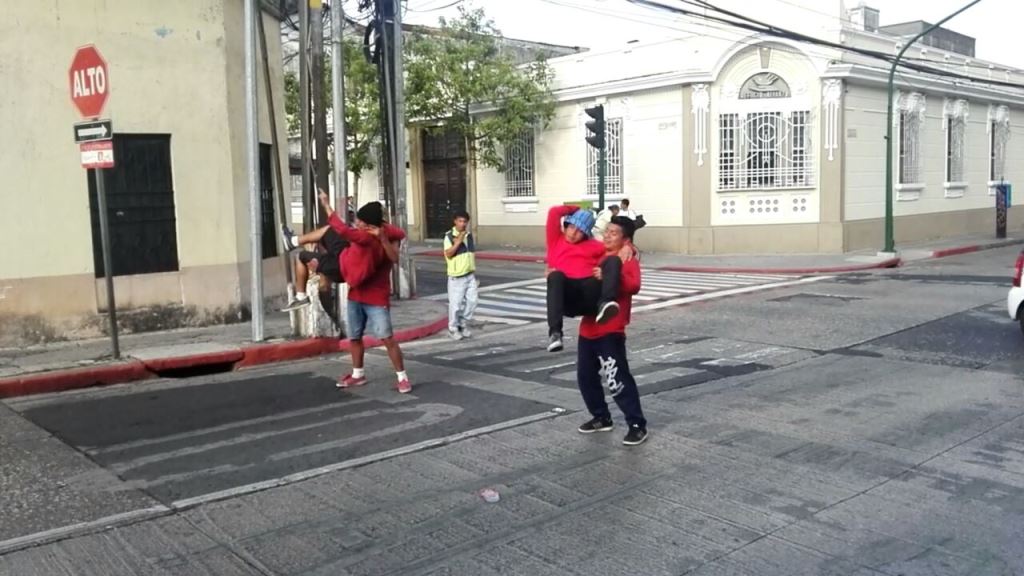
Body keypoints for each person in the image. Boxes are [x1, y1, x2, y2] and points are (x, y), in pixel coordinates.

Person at [320, 191, 412, 394]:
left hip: (376, 296)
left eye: (361, 221)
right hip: (356, 293)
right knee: (354, 336)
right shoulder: (367, 234)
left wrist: (326, 205)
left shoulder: (385, 235)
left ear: (370, 224)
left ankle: (402, 378)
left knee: (387, 338)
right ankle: (358, 374)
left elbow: (394, 258)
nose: (358, 224)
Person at [575, 215, 648, 446]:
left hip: (611, 328)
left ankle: (636, 425)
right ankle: (601, 417)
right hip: (588, 327)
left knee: (617, 378)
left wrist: (625, 255)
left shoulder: (625, 258)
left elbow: (634, 285)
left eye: (613, 233)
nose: (606, 235)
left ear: (625, 239)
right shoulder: (598, 253)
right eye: (606, 231)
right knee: (585, 377)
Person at [545, 205, 621, 353]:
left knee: (613, 260)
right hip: (569, 296)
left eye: (580, 231)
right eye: (571, 227)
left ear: (586, 234)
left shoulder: (595, 246)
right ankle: (555, 333)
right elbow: (554, 212)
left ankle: (606, 303)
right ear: (566, 226)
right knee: (555, 276)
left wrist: (628, 248)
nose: (573, 233)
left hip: (590, 295)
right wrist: (577, 209)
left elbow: (617, 250)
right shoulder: (555, 240)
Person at [279, 224, 349, 311]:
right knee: (330, 229)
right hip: (342, 258)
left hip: (341, 264)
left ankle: (301, 297)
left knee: (301, 256)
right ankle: (293, 241)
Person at [443, 211, 479, 340]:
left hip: (469, 274)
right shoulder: (449, 236)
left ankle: (462, 324)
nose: (462, 224)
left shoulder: (469, 235)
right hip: (456, 276)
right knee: (455, 305)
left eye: (464, 221)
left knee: (473, 301)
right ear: (455, 221)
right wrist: (458, 241)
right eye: (460, 221)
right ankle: (453, 328)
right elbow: (448, 254)